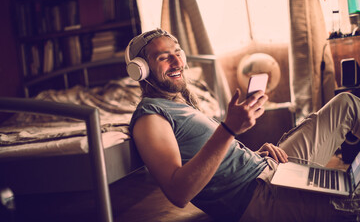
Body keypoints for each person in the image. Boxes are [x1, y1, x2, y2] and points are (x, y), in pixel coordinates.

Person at [127, 28, 360, 222]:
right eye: (163, 57)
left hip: (269, 167)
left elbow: (215, 161)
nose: (177, 61)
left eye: (177, 53)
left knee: (346, 103)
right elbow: (179, 193)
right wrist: (228, 129)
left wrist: (253, 154)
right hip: (258, 198)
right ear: (141, 70)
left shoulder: (179, 104)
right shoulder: (150, 117)